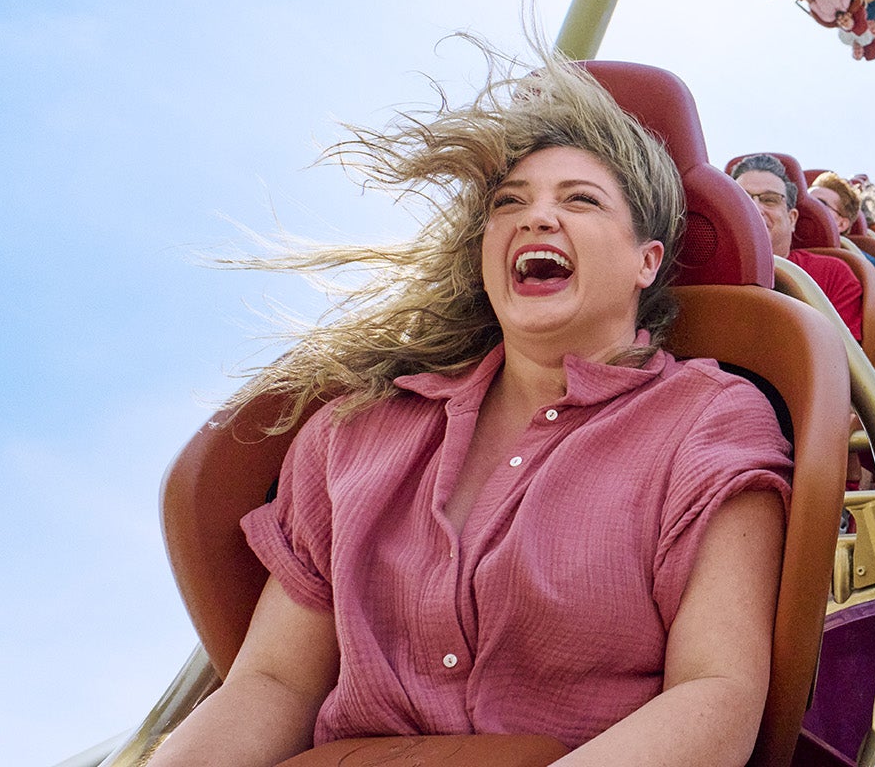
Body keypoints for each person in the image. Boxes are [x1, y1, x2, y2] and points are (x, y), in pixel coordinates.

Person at [150, 57, 790, 766]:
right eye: (509, 203)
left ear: (648, 261)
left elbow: (716, 692)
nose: (536, 216)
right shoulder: (351, 432)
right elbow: (273, 683)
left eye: (581, 200)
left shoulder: (710, 418)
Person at [732, 154, 864, 342]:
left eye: (769, 200)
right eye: (743, 198)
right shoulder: (705, 272)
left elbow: (844, 356)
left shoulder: (832, 273)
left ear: (792, 219)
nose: (754, 208)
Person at [808, 171, 875, 276]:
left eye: (820, 203)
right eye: (807, 200)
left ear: (841, 224)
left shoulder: (860, 264)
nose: (808, 207)